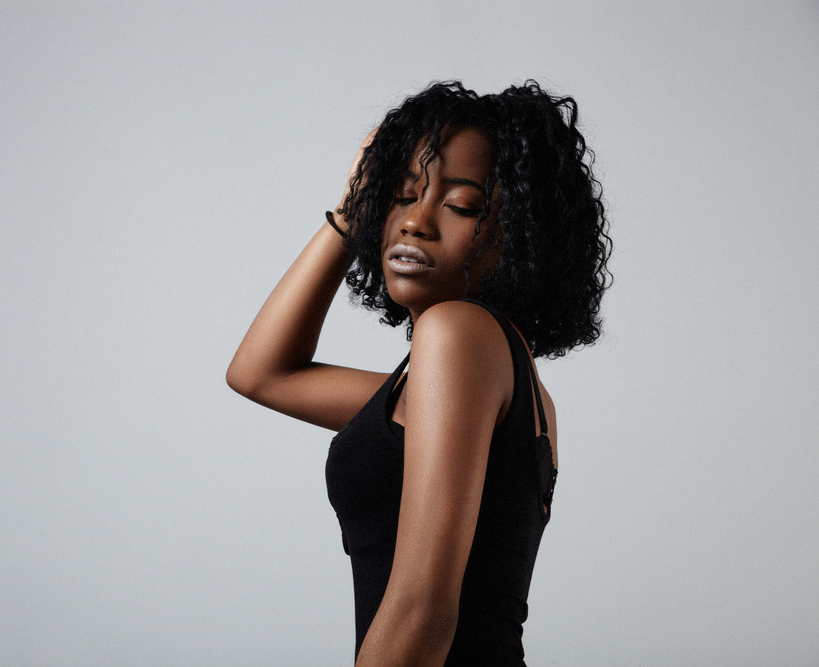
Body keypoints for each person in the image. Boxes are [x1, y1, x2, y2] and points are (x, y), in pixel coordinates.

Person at [226, 80, 611, 665]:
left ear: (524, 233)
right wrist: (353, 210)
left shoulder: (458, 333)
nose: (415, 222)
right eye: (401, 195)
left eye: (461, 206)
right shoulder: (484, 369)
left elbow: (422, 611)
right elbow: (262, 374)